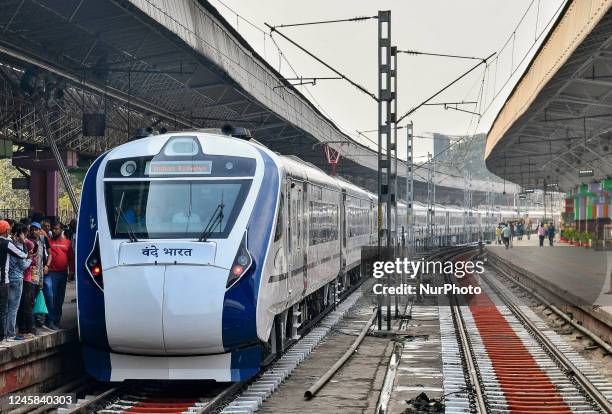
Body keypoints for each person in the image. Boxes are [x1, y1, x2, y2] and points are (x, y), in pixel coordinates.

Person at [0, 220, 28, 344]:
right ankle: (6, 335)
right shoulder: (7, 243)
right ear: (6, 231)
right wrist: (24, 244)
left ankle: (4, 334)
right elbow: (23, 256)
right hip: (6, 280)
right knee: (9, 308)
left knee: (4, 309)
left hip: (7, 280)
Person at [44, 221, 74, 330]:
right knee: (51, 297)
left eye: (57, 229)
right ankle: (50, 321)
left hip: (62, 274)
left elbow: (71, 258)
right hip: (51, 274)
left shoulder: (67, 243)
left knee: (60, 299)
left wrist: (71, 271)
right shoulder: (48, 242)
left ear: (61, 230)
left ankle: (56, 321)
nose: (55, 230)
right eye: (53, 229)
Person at [7, 224, 32, 341]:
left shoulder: (9, 244)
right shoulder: (18, 247)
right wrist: (30, 259)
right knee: (13, 308)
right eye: (24, 233)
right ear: (21, 234)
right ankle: (10, 333)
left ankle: (6, 332)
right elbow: (23, 266)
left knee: (6, 307)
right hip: (17, 279)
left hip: (7, 279)